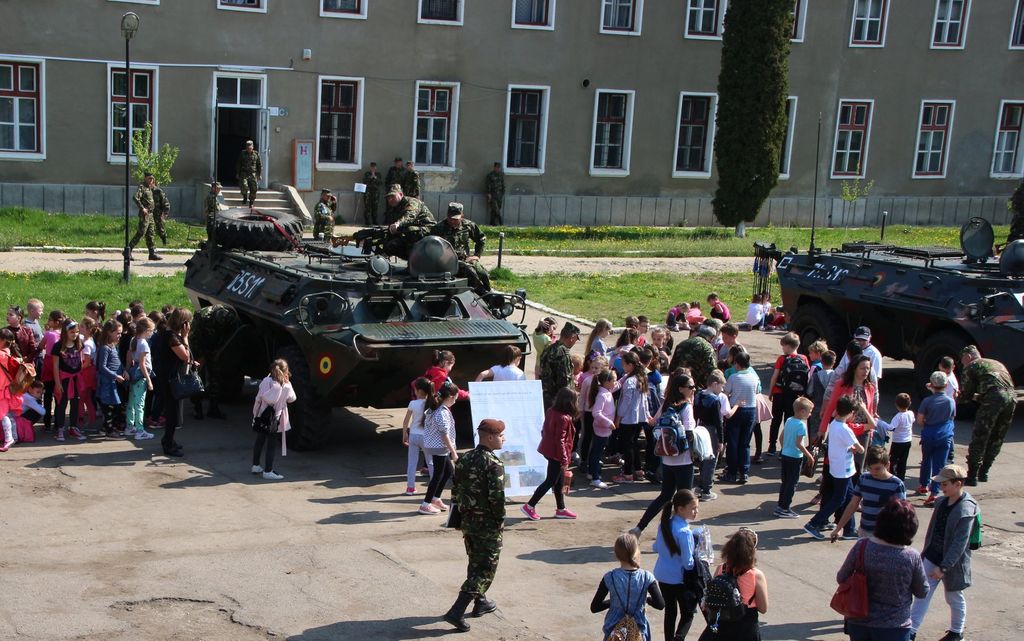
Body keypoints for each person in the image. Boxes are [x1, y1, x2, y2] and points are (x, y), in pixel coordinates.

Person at [443, 419, 508, 632]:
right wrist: (499, 521)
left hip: (468, 522)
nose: (504, 438)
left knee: (475, 561)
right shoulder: (494, 464)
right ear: (490, 437)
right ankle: (457, 611)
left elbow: (456, 490)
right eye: (501, 435)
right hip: (487, 524)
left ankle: (481, 602)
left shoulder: (465, 459)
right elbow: (497, 499)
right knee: (485, 568)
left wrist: (457, 519)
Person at [835, 499, 928, 641]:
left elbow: (841, 577)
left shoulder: (862, 546)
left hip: (859, 621)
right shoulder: (911, 556)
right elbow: (922, 592)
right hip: (895, 627)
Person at [910, 465, 979, 641]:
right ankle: (911, 630)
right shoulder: (941, 502)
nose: (941, 487)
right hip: (933, 556)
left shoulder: (966, 509)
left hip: (953, 563)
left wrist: (944, 568)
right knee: (922, 594)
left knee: (953, 597)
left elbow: (960, 543)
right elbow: (933, 531)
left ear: (958, 484)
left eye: (945, 484)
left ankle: (956, 633)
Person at [631, 372, 696, 535]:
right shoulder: (686, 407)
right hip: (683, 461)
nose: (693, 389)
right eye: (691, 387)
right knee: (685, 500)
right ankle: (678, 532)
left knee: (664, 496)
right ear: (681, 389)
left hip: (667, 460)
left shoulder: (666, 404)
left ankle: (639, 527)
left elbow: (654, 422)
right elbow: (689, 433)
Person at [805, 396, 865, 540]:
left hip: (839, 468)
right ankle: (814, 523)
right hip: (843, 470)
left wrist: (849, 448)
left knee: (849, 498)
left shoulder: (834, 424)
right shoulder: (845, 429)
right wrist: (854, 448)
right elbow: (861, 449)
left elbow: (841, 444)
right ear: (851, 412)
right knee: (839, 499)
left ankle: (849, 530)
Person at [958, 345, 1016, 485]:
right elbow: (996, 387)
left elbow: (966, 395)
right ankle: (984, 473)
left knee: (980, 435)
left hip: (994, 399)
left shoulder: (972, 366)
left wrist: (953, 398)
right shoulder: (995, 363)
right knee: (997, 436)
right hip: (1011, 398)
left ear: (968, 357)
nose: (962, 364)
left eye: (962, 360)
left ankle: (972, 476)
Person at [696, 529, 768, 641]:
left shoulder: (721, 568)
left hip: (721, 622)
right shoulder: (756, 575)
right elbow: (763, 608)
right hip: (745, 626)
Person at [591, 533, 665, 641]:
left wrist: (612, 602)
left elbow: (595, 607)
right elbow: (660, 604)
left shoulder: (610, 577)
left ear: (616, 555)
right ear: (637, 552)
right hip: (638, 632)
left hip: (614, 632)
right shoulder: (646, 577)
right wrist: (647, 599)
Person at [521, 387, 578, 521]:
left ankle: (561, 509)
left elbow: (545, 431)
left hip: (550, 451)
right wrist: (564, 460)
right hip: (557, 454)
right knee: (550, 481)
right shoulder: (564, 418)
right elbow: (561, 441)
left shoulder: (551, 411)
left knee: (558, 481)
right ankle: (529, 506)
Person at [817, 354, 878, 480]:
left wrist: (871, 432)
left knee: (858, 467)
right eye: (862, 368)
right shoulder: (841, 384)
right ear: (854, 368)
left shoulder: (870, 387)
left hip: (863, 430)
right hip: (843, 428)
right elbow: (831, 407)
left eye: (868, 368)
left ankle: (854, 491)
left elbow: (870, 410)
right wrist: (822, 429)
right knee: (835, 463)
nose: (866, 371)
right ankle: (828, 488)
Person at [653, 490, 701, 641]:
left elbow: (655, 547)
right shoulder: (684, 532)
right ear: (680, 509)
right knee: (688, 614)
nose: (696, 512)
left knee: (670, 611)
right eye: (693, 508)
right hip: (678, 579)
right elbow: (688, 564)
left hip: (662, 575)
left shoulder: (664, 525)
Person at [832, 445, 906, 540]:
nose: (873, 472)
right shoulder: (864, 478)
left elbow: (901, 514)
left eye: (877, 468)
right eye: (870, 468)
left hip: (885, 535)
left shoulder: (897, 485)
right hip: (864, 532)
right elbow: (853, 504)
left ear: (887, 465)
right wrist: (838, 528)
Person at [157, 308, 196, 457]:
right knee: (172, 413)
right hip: (170, 379)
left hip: (168, 376)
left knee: (172, 411)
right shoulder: (172, 337)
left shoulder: (169, 334)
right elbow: (185, 357)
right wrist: (185, 337)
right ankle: (167, 443)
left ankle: (169, 440)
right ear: (183, 323)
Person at [188, 304, 237, 421]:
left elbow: (228, 336)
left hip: (215, 347)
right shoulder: (203, 317)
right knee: (198, 379)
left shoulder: (229, 318)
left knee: (216, 377)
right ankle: (197, 408)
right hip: (200, 346)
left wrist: (219, 351)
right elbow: (194, 338)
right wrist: (199, 357)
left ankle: (213, 408)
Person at [765, 332, 810, 460]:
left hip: (780, 393)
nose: (782, 348)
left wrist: (771, 391)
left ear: (788, 346)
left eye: (783, 346)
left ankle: (772, 446)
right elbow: (807, 376)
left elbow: (775, 376)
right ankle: (784, 448)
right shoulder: (804, 358)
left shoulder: (782, 359)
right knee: (789, 421)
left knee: (776, 420)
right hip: (794, 395)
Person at [430, 202, 490, 294]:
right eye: (450, 218)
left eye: (455, 219)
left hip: (465, 259)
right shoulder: (438, 228)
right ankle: (482, 293)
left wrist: (476, 255)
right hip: (447, 262)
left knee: (482, 273)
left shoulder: (468, 225)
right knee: (470, 272)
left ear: (462, 216)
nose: (452, 221)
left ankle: (489, 291)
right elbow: (431, 246)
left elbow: (481, 238)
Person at [419, 381, 460, 515]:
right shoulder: (442, 412)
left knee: (448, 472)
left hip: (437, 446)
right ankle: (425, 504)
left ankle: (435, 498)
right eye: (455, 398)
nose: (455, 401)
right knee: (438, 475)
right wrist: (453, 452)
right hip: (440, 448)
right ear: (450, 397)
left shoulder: (436, 407)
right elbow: (444, 435)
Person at [916, 371, 957, 506]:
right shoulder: (950, 401)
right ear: (946, 385)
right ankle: (934, 493)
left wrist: (927, 425)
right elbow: (952, 417)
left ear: (932, 385)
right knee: (940, 465)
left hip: (929, 435)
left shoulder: (927, 401)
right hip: (944, 436)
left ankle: (923, 485)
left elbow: (920, 420)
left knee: (926, 460)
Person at [251, 359, 295, 481]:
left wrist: (255, 415)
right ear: (286, 372)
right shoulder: (286, 387)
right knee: (271, 445)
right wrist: (288, 383)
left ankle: (255, 466)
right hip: (275, 419)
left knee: (259, 440)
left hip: (262, 416)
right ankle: (268, 471)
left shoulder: (266, 381)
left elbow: (258, 399)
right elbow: (292, 398)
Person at [613, 351, 653, 484]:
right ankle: (638, 469)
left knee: (628, 446)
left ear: (630, 365)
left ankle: (627, 474)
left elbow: (626, 402)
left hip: (628, 418)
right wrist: (647, 414)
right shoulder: (641, 378)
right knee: (634, 444)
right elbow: (645, 400)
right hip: (639, 418)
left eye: (624, 364)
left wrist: (618, 417)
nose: (622, 367)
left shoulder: (630, 381)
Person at [722, 350, 760, 484]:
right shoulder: (754, 377)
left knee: (733, 443)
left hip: (736, 410)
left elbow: (726, 393)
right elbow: (757, 391)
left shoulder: (734, 377)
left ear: (737, 364)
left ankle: (731, 472)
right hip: (751, 410)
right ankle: (744, 472)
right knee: (745, 443)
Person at [775, 397, 814, 519]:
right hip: (795, 457)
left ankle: (780, 506)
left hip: (785, 455)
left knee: (785, 482)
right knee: (792, 484)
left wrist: (785, 448)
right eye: (809, 411)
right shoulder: (801, 425)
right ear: (802, 411)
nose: (810, 414)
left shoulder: (789, 420)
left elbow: (781, 438)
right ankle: (785, 508)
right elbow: (799, 444)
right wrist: (809, 456)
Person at [52, 318, 88, 442]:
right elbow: (55, 366)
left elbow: (81, 360)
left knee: (75, 403)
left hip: (76, 379)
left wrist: (81, 377)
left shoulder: (79, 344)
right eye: (72, 332)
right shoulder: (58, 346)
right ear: (65, 332)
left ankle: (73, 427)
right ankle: (60, 428)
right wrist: (57, 383)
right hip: (64, 379)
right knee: (62, 404)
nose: (75, 334)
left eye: (77, 332)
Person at [382, 184, 436, 259]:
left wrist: (398, 224)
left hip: (428, 229)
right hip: (412, 231)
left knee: (409, 230)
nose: (390, 199)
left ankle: (413, 257)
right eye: (388, 198)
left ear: (401, 194)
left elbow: (410, 216)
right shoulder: (395, 208)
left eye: (392, 196)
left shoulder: (412, 202)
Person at [402, 377, 435, 495]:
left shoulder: (413, 403)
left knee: (412, 462)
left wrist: (404, 434)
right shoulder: (432, 404)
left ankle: (410, 488)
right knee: (430, 461)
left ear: (418, 391)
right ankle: (434, 487)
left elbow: (406, 421)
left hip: (413, 436)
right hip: (427, 437)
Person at [125, 317, 156, 441]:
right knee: (140, 404)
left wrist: (127, 369)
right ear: (146, 330)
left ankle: (130, 426)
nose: (152, 333)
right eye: (151, 330)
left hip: (133, 374)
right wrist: (149, 380)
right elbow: (143, 364)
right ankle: (140, 430)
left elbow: (129, 356)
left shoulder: (133, 340)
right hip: (141, 376)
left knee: (132, 401)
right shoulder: (143, 344)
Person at [588, 368, 618, 489]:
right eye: (614, 380)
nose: (615, 383)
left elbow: (619, 384)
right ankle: (595, 478)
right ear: (606, 382)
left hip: (604, 429)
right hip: (601, 429)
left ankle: (591, 473)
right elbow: (596, 413)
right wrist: (608, 422)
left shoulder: (607, 391)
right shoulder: (602, 395)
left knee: (596, 451)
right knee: (597, 453)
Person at [876, 393, 915, 483]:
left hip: (898, 441)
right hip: (908, 440)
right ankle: (901, 478)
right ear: (909, 403)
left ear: (896, 405)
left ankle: (892, 477)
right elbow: (913, 420)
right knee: (903, 461)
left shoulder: (898, 416)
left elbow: (891, 427)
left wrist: (880, 422)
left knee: (893, 460)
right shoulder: (911, 413)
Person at [539, 322, 580, 409]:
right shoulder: (563, 353)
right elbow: (565, 380)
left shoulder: (548, 348)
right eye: (576, 339)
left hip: (545, 396)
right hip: (558, 401)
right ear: (572, 338)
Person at [95, 319, 125, 437]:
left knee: (115, 406)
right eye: (118, 333)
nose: (120, 336)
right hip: (107, 383)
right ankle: (109, 430)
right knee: (108, 408)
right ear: (109, 332)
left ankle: (105, 428)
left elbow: (118, 362)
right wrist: (115, 376)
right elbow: (102, 367)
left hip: (114, 382)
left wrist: (124, 370)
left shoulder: (113, 346)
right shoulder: (105, 348)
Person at [668, 325, 717, 389]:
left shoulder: (683, 343)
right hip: (696, 386)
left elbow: (672, 367)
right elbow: (712, 369)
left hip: (679, 383)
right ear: (712, 337)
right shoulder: (708, 348)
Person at [127, 172, 162, 261]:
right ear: (145, 178)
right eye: (149, 178)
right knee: (141, 232)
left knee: (150, 234)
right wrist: (142, 208)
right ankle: (128, 250)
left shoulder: (150, 187)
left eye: (152, 178)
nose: (151, 180)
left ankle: (152, 254)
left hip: (151, 214)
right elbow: (135, 197)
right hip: (145, 215)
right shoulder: (142, 187)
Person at [236, 139, 262, 208]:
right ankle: (245, 197)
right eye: (248, 148)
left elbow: (259, 165)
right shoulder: (242, 153)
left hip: (253, 174)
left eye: (250, 148)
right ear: (246, 148)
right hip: (244, 173)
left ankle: (251, 202)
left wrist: (259, 175)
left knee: (254, 188)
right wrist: (238, 173)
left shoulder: (256, 154)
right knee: (244, 186)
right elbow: (239, 164)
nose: (249, 149)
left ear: (253, 147)